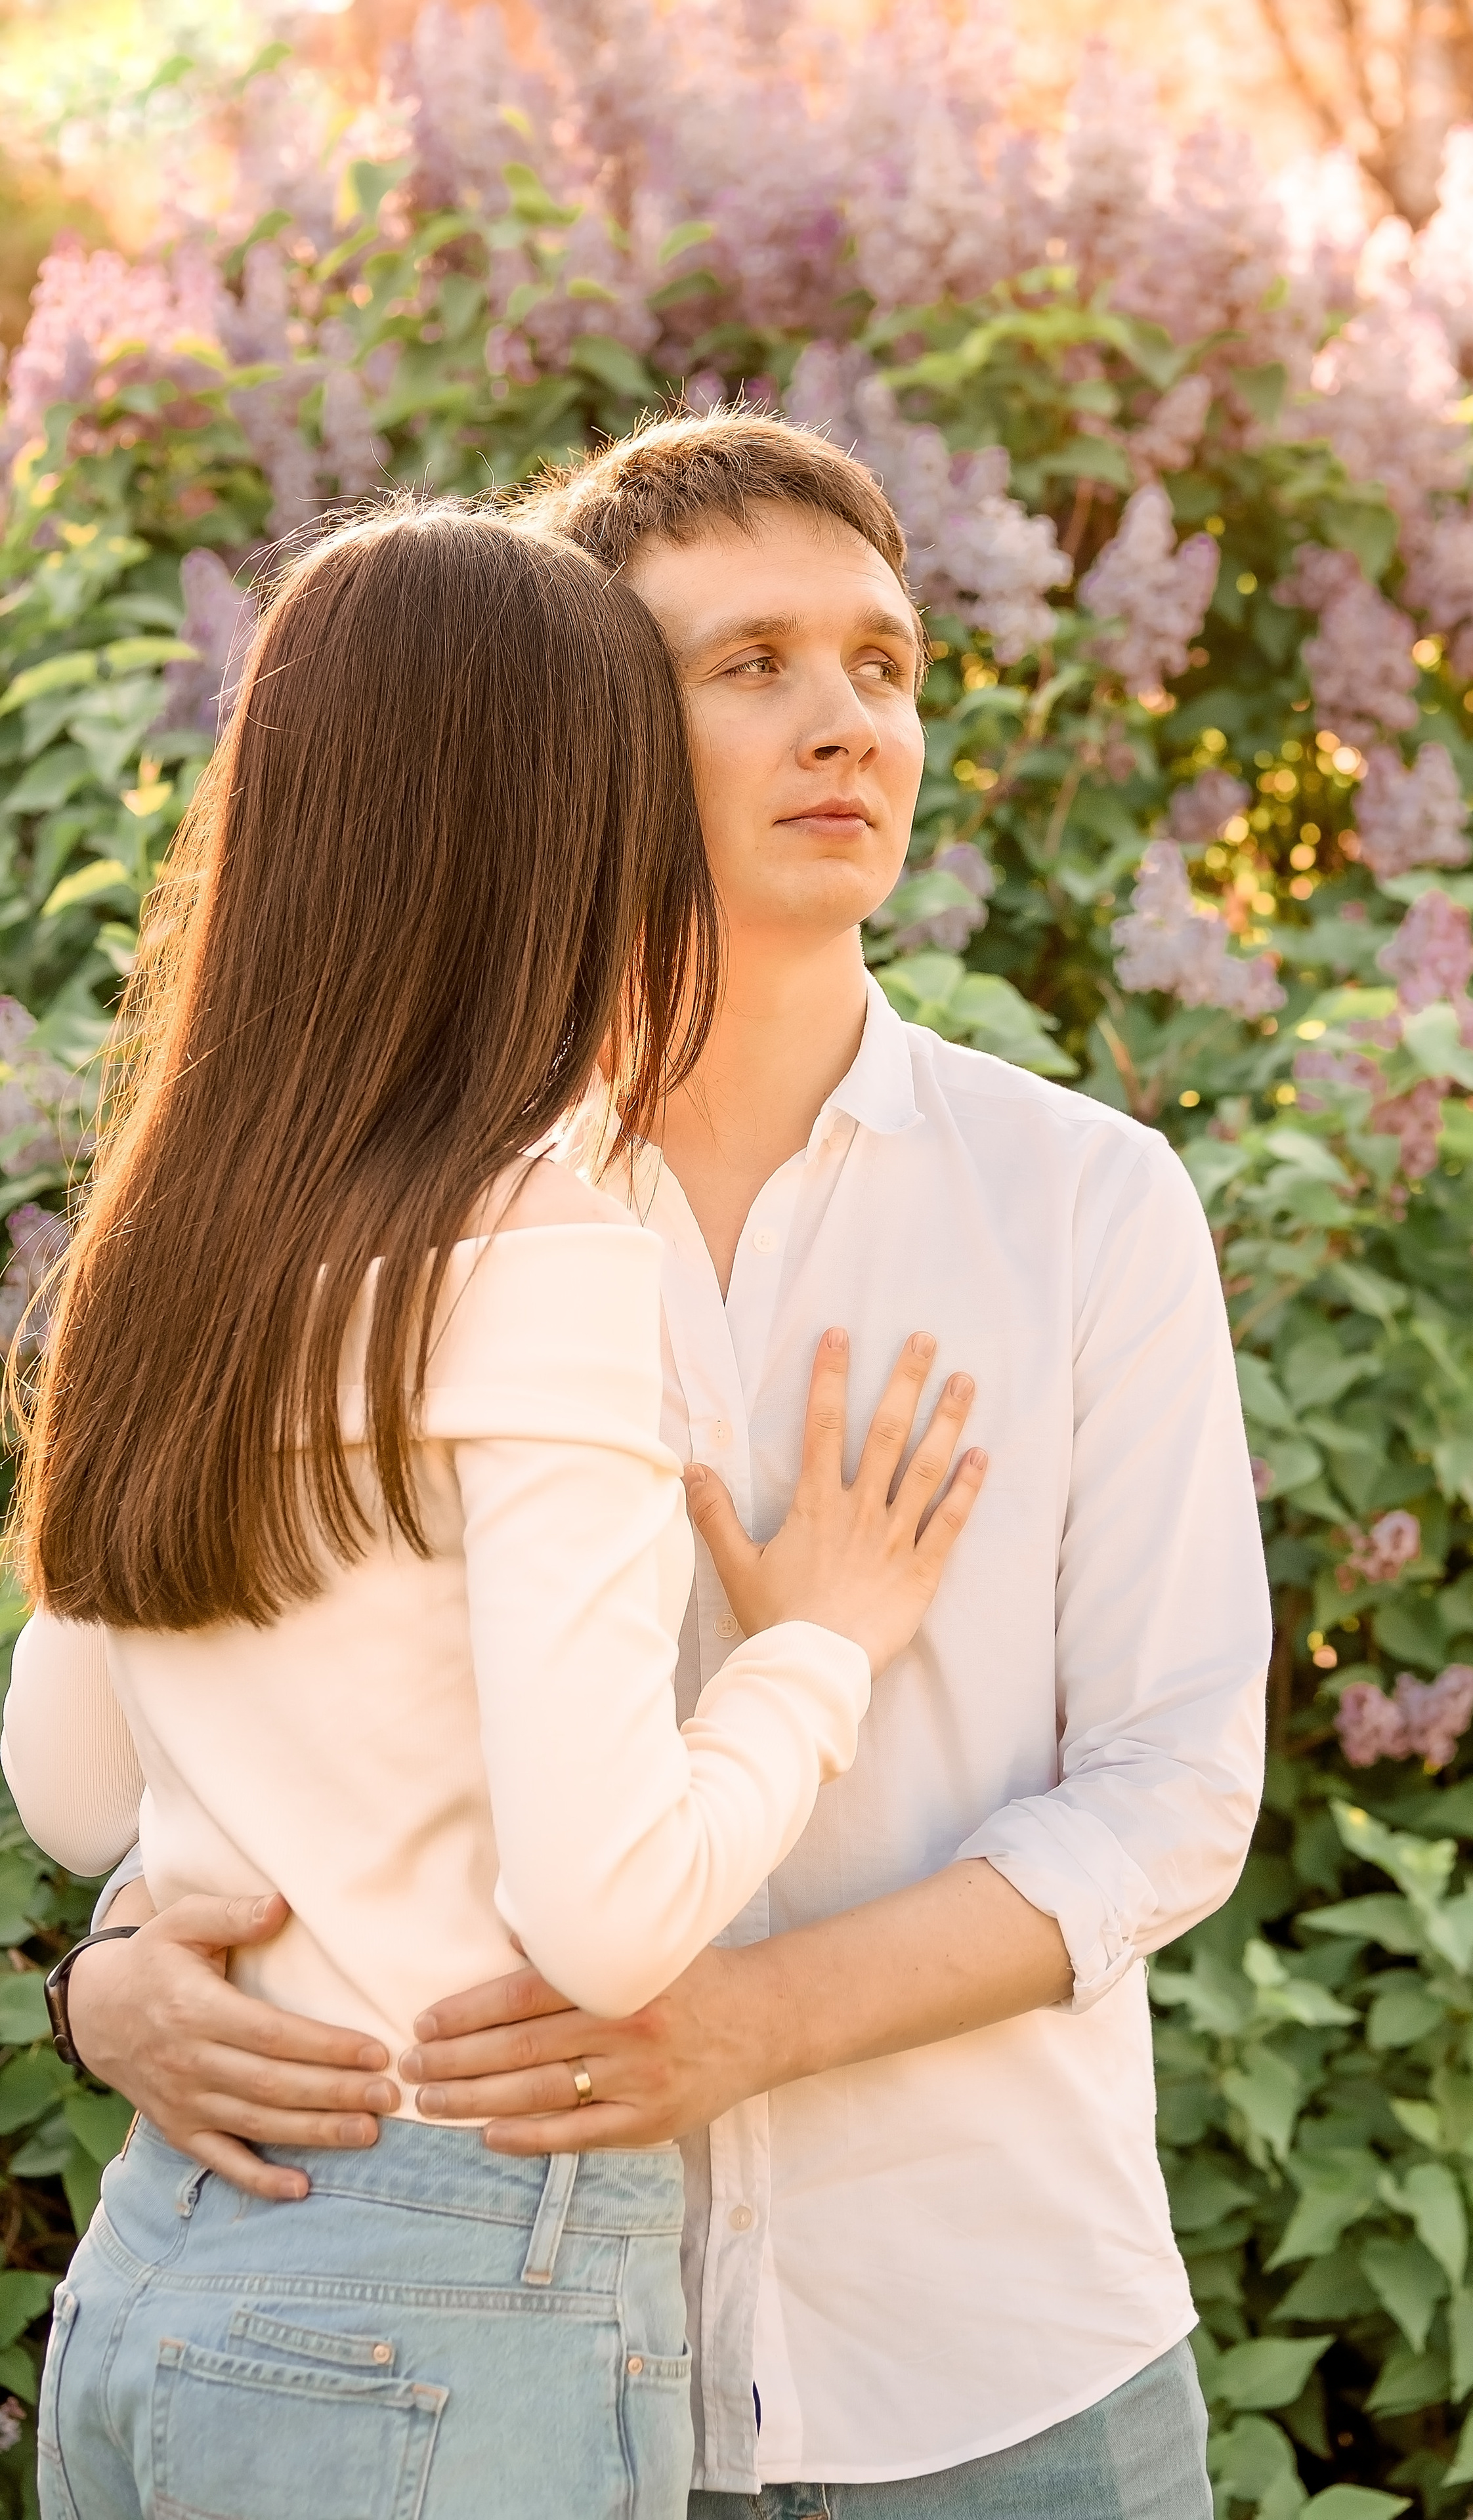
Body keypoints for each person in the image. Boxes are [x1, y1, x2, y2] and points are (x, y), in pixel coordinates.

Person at [58, 415, 1271, 2517]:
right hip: (493, 2369)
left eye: (885, 665)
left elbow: (1178, 1789)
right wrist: (114, 1978)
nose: (846, 722)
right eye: (751, 666)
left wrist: (752, 2026)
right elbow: (171, 1715)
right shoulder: (410, 1226)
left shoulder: (1083, 1202)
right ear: (579, 750)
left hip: (992, 2365)